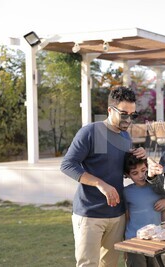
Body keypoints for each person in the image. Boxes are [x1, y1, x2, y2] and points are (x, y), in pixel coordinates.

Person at [60, 86, 146, 267]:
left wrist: (139, 158)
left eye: (132, 115)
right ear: (109, 110)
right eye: (124, 114)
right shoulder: (90, 132)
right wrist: (100, 184)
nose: (128, 119)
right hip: (90, 213)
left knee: (110, 265)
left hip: (117, 214)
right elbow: (68, 165)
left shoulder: (125, 137)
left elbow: (120, 169)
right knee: (88, 264)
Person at [123, 152, 165, 267]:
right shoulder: (126, 192)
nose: (141, 175)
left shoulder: (158, 188)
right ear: (127, 175)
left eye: (144, 170)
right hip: (134, 240)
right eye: (135, 173)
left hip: (155, 240)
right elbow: (126, 218)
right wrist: (125, 245)